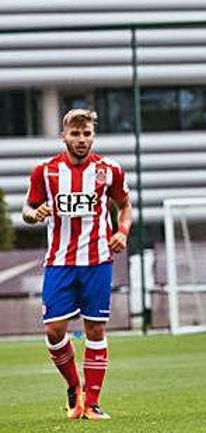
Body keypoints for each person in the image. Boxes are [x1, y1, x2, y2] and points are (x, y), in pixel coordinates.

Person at [22, 109, 132, 421]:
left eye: (86, 134)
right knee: (54, 330)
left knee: (95, 328)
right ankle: (74, 387)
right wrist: (35, 214)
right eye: (75, 134)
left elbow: (125, 205)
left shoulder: (109, 170)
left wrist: (122, 232)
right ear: (64, 136)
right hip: (59, 262)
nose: (81, 140)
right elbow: (27, 209)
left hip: (97, 260)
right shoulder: (45, 171)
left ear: (92, 136)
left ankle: (93, 403)